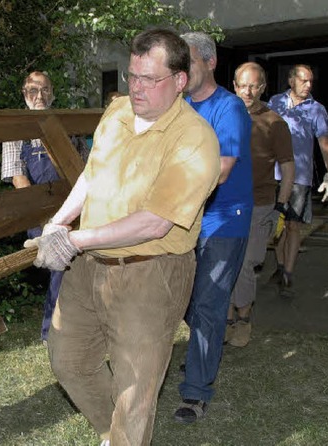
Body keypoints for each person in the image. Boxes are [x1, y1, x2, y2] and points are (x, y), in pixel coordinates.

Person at [25, 28, 220, 445]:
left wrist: (76, 240)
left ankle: (125, 437)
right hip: (90, 265)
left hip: (150, 274)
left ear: (180, 80)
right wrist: (60, 223)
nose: (137, 88)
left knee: (135, 392)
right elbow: (92, 175)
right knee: (69, 361)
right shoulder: (115, 113)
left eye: (150, 79)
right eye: (133, 76)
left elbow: (155, 222)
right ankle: (114, 436)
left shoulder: (196, 140)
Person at [175, 31, 253, 423]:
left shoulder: (230, 108)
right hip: (188, 218)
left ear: (209, 62)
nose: (182, 70)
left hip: (226, 218)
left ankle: (195, 392)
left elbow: (220, 173)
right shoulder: (181, 107)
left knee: (207, 302)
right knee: (187, 297)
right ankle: (202, 351)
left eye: (187, 61)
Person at [0, 71, 89, 342]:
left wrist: (72, 212)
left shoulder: (67, 127)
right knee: (60, 260)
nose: (39, 96)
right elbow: (18, 178)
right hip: (37, 212)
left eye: (45, 90)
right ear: (23, 93)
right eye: (32, 91)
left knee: (84, 260)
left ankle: (77, 326)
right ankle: (51, 331)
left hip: (71, 206)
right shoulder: (15, 132)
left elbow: (86, 170)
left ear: (53, 93)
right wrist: (47, 220)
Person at [227, 62, 295, 347]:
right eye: (243, 85)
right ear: (234, 86)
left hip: (261, 203)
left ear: (263, 87)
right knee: (226, 262)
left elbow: (288, 167)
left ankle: (243, 318)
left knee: (246, 264)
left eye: (254, 85)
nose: (248, 91)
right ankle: (227, 319)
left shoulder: (274, 122)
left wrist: (281, 205)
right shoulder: (225, 115)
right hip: (226, 203)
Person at [267, 64, 328, 297]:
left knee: (293, 225)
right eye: (304, 80)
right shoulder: (275, 102)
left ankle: (288, 273)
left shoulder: (316, 109)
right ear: (291, 81)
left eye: (311, 81)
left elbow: (325, 144)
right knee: (276, 225)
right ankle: (278, 265)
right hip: (273, 174)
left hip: (299, 178)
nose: (308, 85)